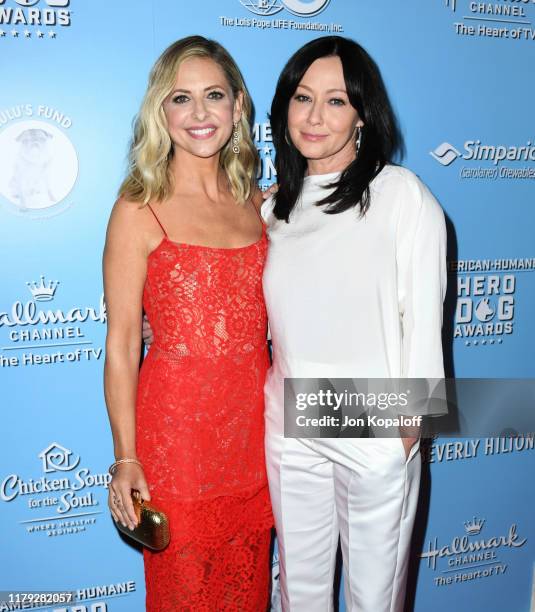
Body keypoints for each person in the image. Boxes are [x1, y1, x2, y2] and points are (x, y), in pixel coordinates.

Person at [262, 36, 447, 611]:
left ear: (363, 115)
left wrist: (407, 430)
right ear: (283, 108)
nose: (315, 116)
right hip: (289, 418)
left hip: (375, 419)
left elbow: (424, 316)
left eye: (336, 101)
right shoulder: (271, 209)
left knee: (374, 599)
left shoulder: (401, 196)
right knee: (301, 592)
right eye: (302, 97)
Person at [103, 36, 272, 611]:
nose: (199, 114)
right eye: (181, 98)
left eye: (214, 95)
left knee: (247, 592)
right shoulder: (138, 207)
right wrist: (126, 457)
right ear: (161, 111)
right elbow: (124, 344)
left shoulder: (258, 204)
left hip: (255, 439)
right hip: (177, 445)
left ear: (239, 107)